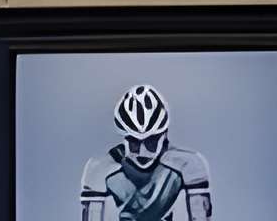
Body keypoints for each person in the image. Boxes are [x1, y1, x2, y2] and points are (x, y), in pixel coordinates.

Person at [79, 85, 212, 221]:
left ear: (164, 136)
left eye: (151, 143)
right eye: (134, 143)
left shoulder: (188, 165)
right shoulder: (99, 168)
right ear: (125, 139)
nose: (142, 152)